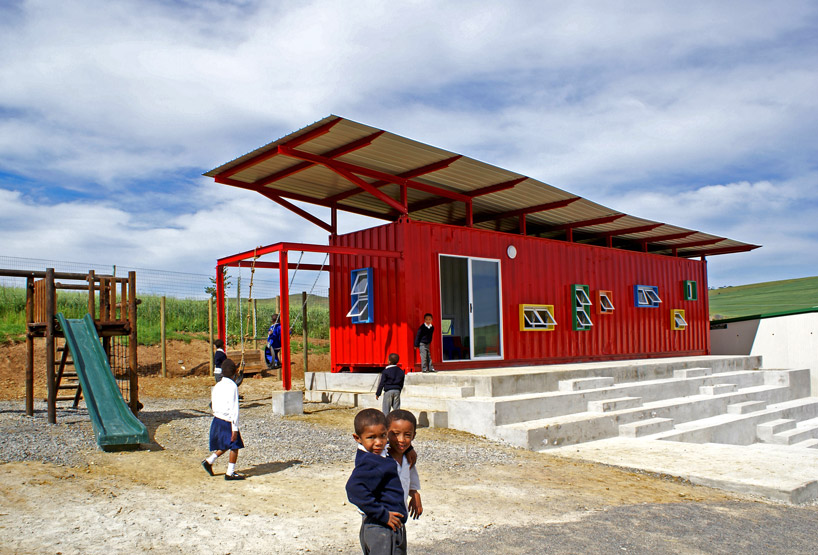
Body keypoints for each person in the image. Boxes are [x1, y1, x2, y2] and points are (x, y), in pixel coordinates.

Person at [346, 408, 407, 555]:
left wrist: (409, 450)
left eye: (383, 435)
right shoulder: (370, 461)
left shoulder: (377, 454)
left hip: (384, 525)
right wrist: (383, 514)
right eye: (371, 437)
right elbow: (353, 488)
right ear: (357, 438)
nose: (379, 442)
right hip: (382, 528)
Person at [201, 359, 246, 481]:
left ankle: (209, 461)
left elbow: (213, 403)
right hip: (227, 420)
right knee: (235, 446)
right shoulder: (233, 386)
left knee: (226, 443)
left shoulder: (218, 385)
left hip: (217, 418)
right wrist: (235, 428)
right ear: (234, 373)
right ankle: (230, 473)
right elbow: (234, 408)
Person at [386, 410, 422, 521]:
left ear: (413, 435)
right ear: (386, 432)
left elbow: (408, 481)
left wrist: (415, 494)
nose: (401, 440)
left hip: (400, 518)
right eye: (396, 434)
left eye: (407, 435)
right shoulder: (381, 458)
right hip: (380, 521)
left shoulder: (408, 459)